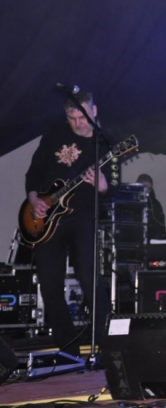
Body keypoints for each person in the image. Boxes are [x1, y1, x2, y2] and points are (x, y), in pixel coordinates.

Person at [25, 91, 115, 358]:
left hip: (83, 217)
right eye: (71, 117)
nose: (77, 123)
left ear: (94, 111)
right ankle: (68, 350)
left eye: (82, 117)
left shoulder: (103, 144)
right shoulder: (54, 134)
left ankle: (107, 348)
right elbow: (34, 172)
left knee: (90, 279)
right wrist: (33, 199)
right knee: (49, 283)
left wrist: (102, 186)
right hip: (47, 219)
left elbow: (111, 188)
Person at [135, 173, 166, 239]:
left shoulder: (155, 205)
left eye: (149, 189)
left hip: (151, 241)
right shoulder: (128, 202)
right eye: (145, 188)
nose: (147, 192)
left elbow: (161, 228)